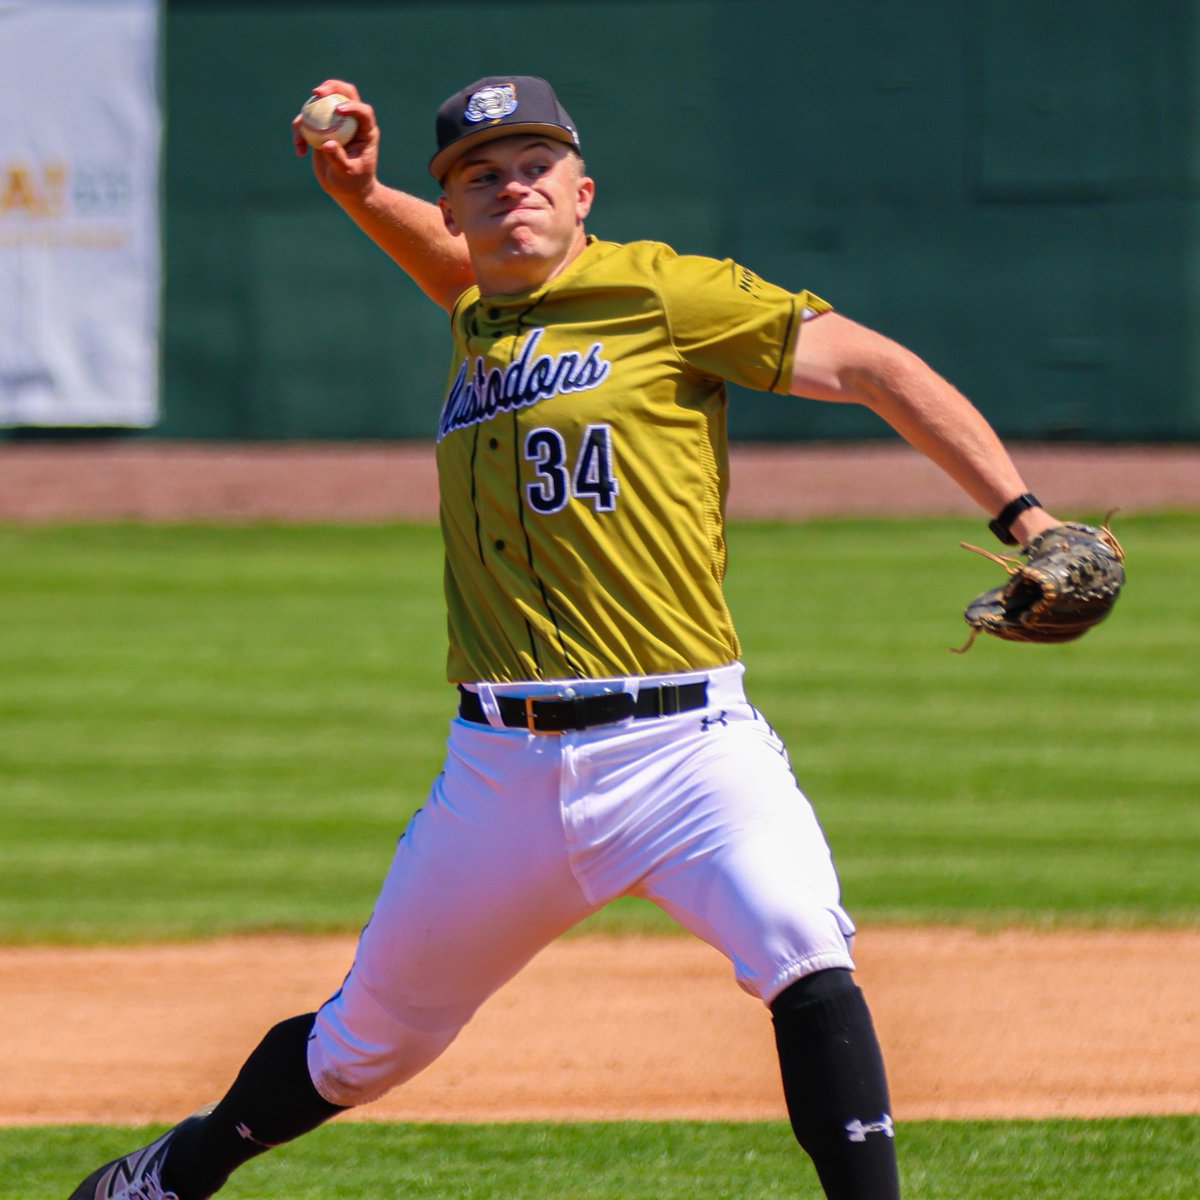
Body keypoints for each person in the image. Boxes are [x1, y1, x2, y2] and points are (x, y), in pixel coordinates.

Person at [70, 74, 1063, 1200]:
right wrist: (359, 193)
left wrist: (1026, 519)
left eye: (535, 168)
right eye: (480, 178)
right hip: (500, 768)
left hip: (688, 745)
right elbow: (463, 273)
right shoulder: (479, 310)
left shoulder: (662, 293)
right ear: (455, 211)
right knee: (362, 1048)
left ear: (583, 190)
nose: (512, 192)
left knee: (803, 947)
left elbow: (878, 369)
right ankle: (165, 1177)